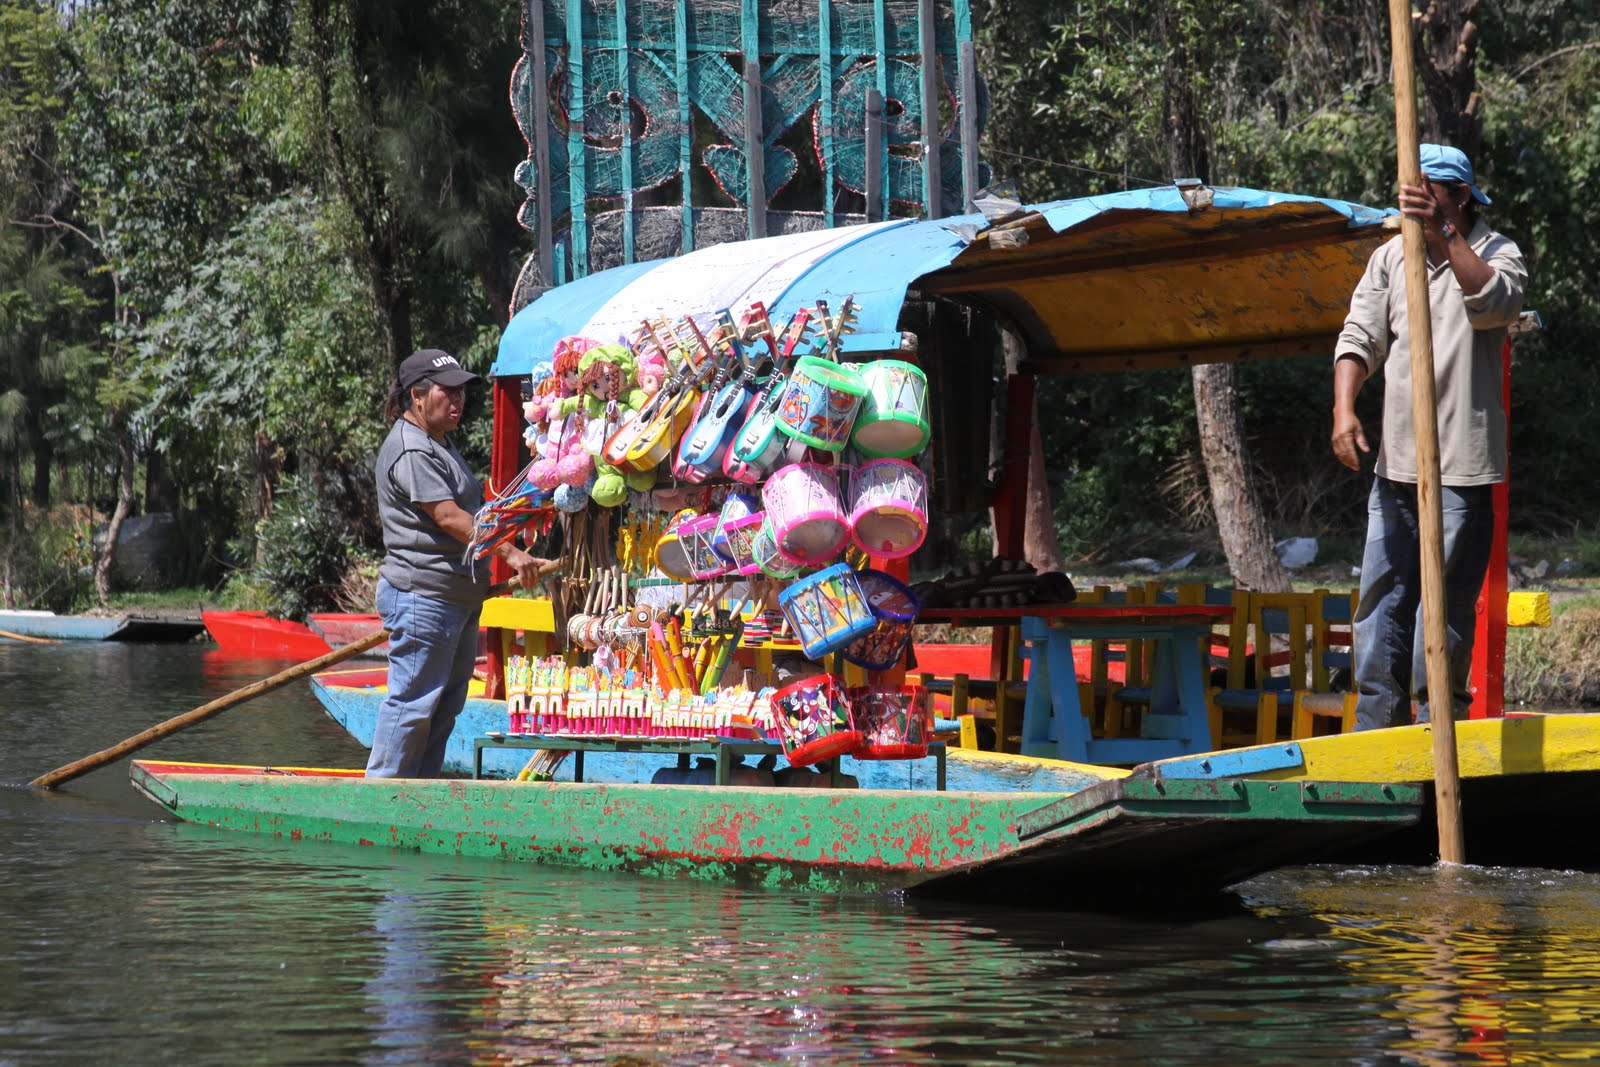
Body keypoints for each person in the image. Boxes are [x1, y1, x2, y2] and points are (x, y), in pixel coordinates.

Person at [1331, 144, 1528, 731]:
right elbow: (1359, 336)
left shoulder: (1498, 253)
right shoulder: (1392, 258)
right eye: (1408, 196)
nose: (1412, 208)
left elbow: (1497, 305)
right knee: (1379, 604)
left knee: (1439, 618)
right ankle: (1375, 732)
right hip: (1396, 468)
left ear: (1459, 196)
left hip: (1462, 470)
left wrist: (1445, 237)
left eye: (1428, 195)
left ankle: (1434, 725)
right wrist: (1345, 410)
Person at [368, 348, 550, 778]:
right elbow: (449, 518)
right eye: (447, 392)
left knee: (445, 707)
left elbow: (474, 509)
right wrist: (509, 551)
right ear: (417, 395)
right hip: (423, 598)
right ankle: (380, 794)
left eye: (461, 392)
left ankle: (420, 794)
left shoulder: (439, 442)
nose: (458, 401)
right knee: (413, 704)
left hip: (457, 598)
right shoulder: (411, 449)